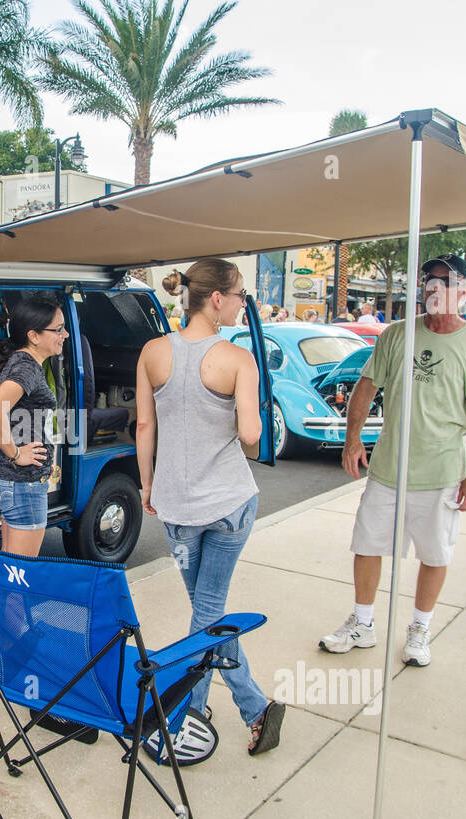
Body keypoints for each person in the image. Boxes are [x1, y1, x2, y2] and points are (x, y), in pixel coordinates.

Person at [321, 253, 466, 666]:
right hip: (387, 469)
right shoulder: (397, 334)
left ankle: (420, 629)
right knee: (367, 545)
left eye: (445, 279)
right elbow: (366, 387)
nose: (434, 286)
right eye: (428, 279)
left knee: (434, 555)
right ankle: (363, 623)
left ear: (464, 291)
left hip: (442, 474)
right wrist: (352, 440)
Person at [136, 258, 284, 756]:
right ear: (216, 299)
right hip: (228, 503)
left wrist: (146, 485)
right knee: (209, 617)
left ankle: (190, 713)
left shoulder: (152, 352)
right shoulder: (237, 359)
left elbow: (144, 428)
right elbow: (250, 438)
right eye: (241, 294)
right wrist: (253, 409)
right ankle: (248, 709)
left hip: (176, 508)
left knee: (206, 613)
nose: (245, 304)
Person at [0, 292, 64, 556]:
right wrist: (16, 453)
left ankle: (7, 600)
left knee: (10, 562)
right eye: (59, 329)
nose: (66, 335)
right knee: (22, 570)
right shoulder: (26, 368)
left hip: (9, 480)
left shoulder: (17, 360)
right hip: (22, 483)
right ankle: (15, 601)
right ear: (34, 335)